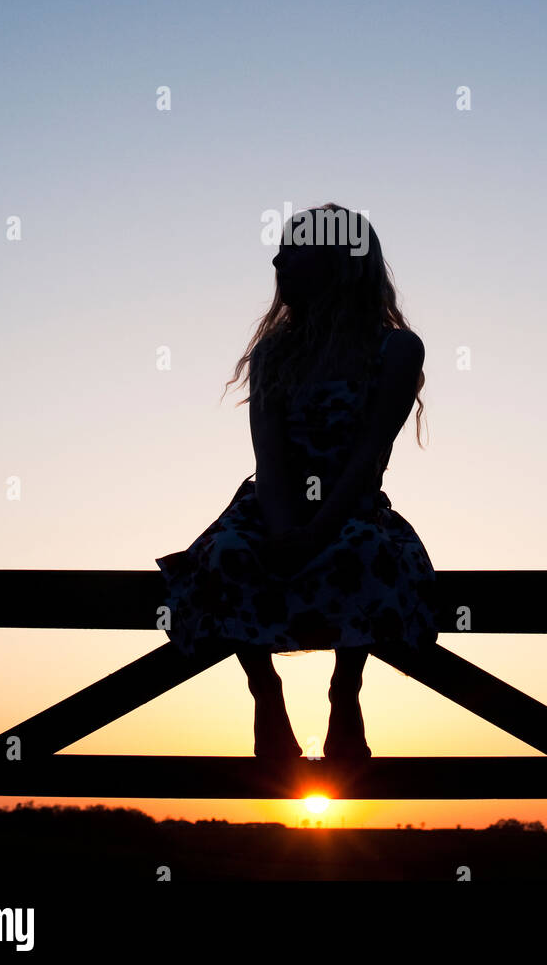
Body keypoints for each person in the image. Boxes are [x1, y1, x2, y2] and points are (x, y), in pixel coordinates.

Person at [155, 203, 439, 760]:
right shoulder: (274, 353)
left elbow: (371, 451)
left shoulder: (396, 348)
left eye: (297, 249)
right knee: (230, 556)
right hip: (273, 500)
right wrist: (284, 526)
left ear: (341, 262)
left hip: (349, 501)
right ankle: (265, 693)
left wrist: (316, 533)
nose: (278, 258)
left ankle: (346, 690)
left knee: (365, 557)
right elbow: (269, 452)